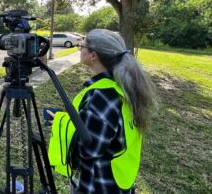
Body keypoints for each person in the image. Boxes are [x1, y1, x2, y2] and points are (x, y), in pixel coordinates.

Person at [47, 29, 156, 193]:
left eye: (82, 46)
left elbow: (89, 148)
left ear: (93, 55)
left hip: (98, 185)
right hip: (117, 181)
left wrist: (61, 123)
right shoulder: (121, 85)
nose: (80, 49)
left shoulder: (103, 96)